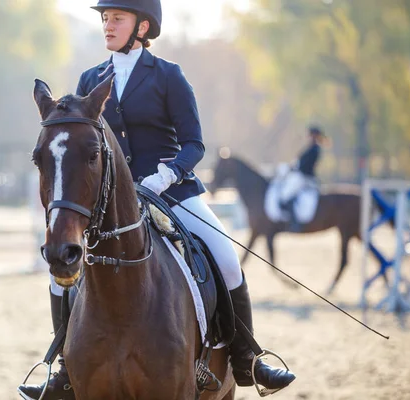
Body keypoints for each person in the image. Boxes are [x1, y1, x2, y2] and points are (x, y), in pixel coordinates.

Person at [18, 1, 296, 399]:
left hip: (173, 192)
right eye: (105, 18)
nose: (108, 25)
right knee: (60, 272)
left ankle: (247, 356)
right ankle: (63, 367)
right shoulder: (90, 78)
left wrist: (164, 176)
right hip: (110, 202)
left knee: (226, 257)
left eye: (117, 18)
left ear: (143, 26)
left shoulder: (168, 76)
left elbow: (194, 144)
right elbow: (82, 145)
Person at [279, 125, 326, 232]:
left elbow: (305, 166)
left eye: (311, 135)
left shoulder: (315, 149)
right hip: (302, 175)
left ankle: (294, 223)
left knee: (286, 195)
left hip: (305, 177)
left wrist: (295, 169)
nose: (309, 137)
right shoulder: (311, 148)